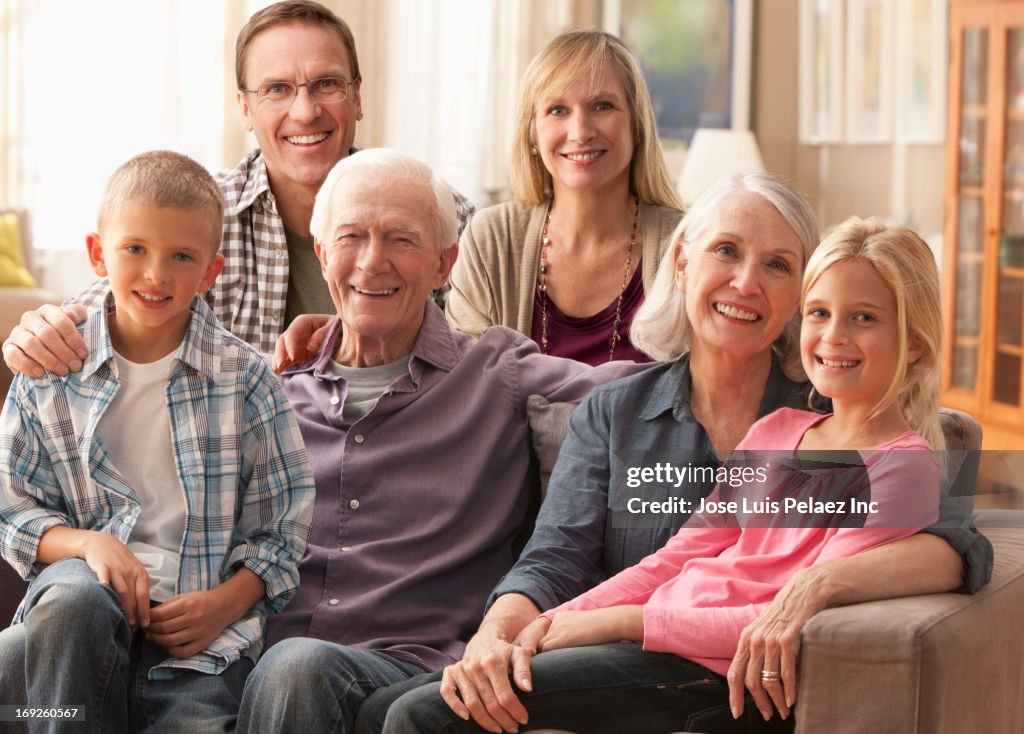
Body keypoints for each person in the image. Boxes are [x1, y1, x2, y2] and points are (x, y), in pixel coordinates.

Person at [374, 177, 993, 733]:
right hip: (635, 637)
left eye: (777, 264)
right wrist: (538, 629)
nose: (746, 282)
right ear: (680, 262)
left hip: (693, 663)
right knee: (383, 710)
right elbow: (658, 556)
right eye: (726, 250)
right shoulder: (770, 428)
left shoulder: (885, 447)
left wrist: (611, 623)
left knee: (417, 717)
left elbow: (956, 538)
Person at [232, 148, 642, 734]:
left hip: (406, 670)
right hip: (256, 666)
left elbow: (649, 391)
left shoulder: (496, 372)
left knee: (296, 666)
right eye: (351, 237)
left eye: (402, 239)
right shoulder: (269, 390)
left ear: (445, 263)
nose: (372, 263)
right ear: (322, 254)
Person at [0, 151, 315, 732]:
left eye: (181, 257)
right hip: (81, 609)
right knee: (71, 605)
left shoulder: (246, 380)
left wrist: (224, 603)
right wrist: (88, 545)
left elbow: (283, 529)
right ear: (98, 254)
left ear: (210, 272)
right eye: (135, 249)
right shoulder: (49, 367)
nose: (155, 275)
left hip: (202, 643)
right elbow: (11, 509)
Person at [1, 0, 473, 365]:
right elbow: (103, 308)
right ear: (245, 109)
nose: (305, 111)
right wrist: (43, 331)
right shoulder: (201, 212)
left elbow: (477, 366)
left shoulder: (442, 216)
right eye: (276, 89)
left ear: (357, 98)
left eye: (326, 85)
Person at [447, 30, 684, 365]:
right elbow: (466, 387)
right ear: (532, 133)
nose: (580, 131)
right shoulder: (490, 240)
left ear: (637, 124)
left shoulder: (687, 247)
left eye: (602, 106)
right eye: (558, 110)